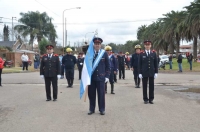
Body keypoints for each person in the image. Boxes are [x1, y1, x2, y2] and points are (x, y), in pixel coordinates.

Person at [88, 37, 110, 115]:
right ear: (94, 45)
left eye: (98, 44)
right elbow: (86, 66)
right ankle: (91, 109)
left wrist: (107, 76)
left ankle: (102, 109)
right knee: (91, 94)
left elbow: (108, 66)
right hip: (91, 78)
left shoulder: (104, 53)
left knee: (101, 94)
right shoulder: (90, 53)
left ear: (101, 45)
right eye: (96, 44)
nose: (97, 45)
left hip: (101, 77)